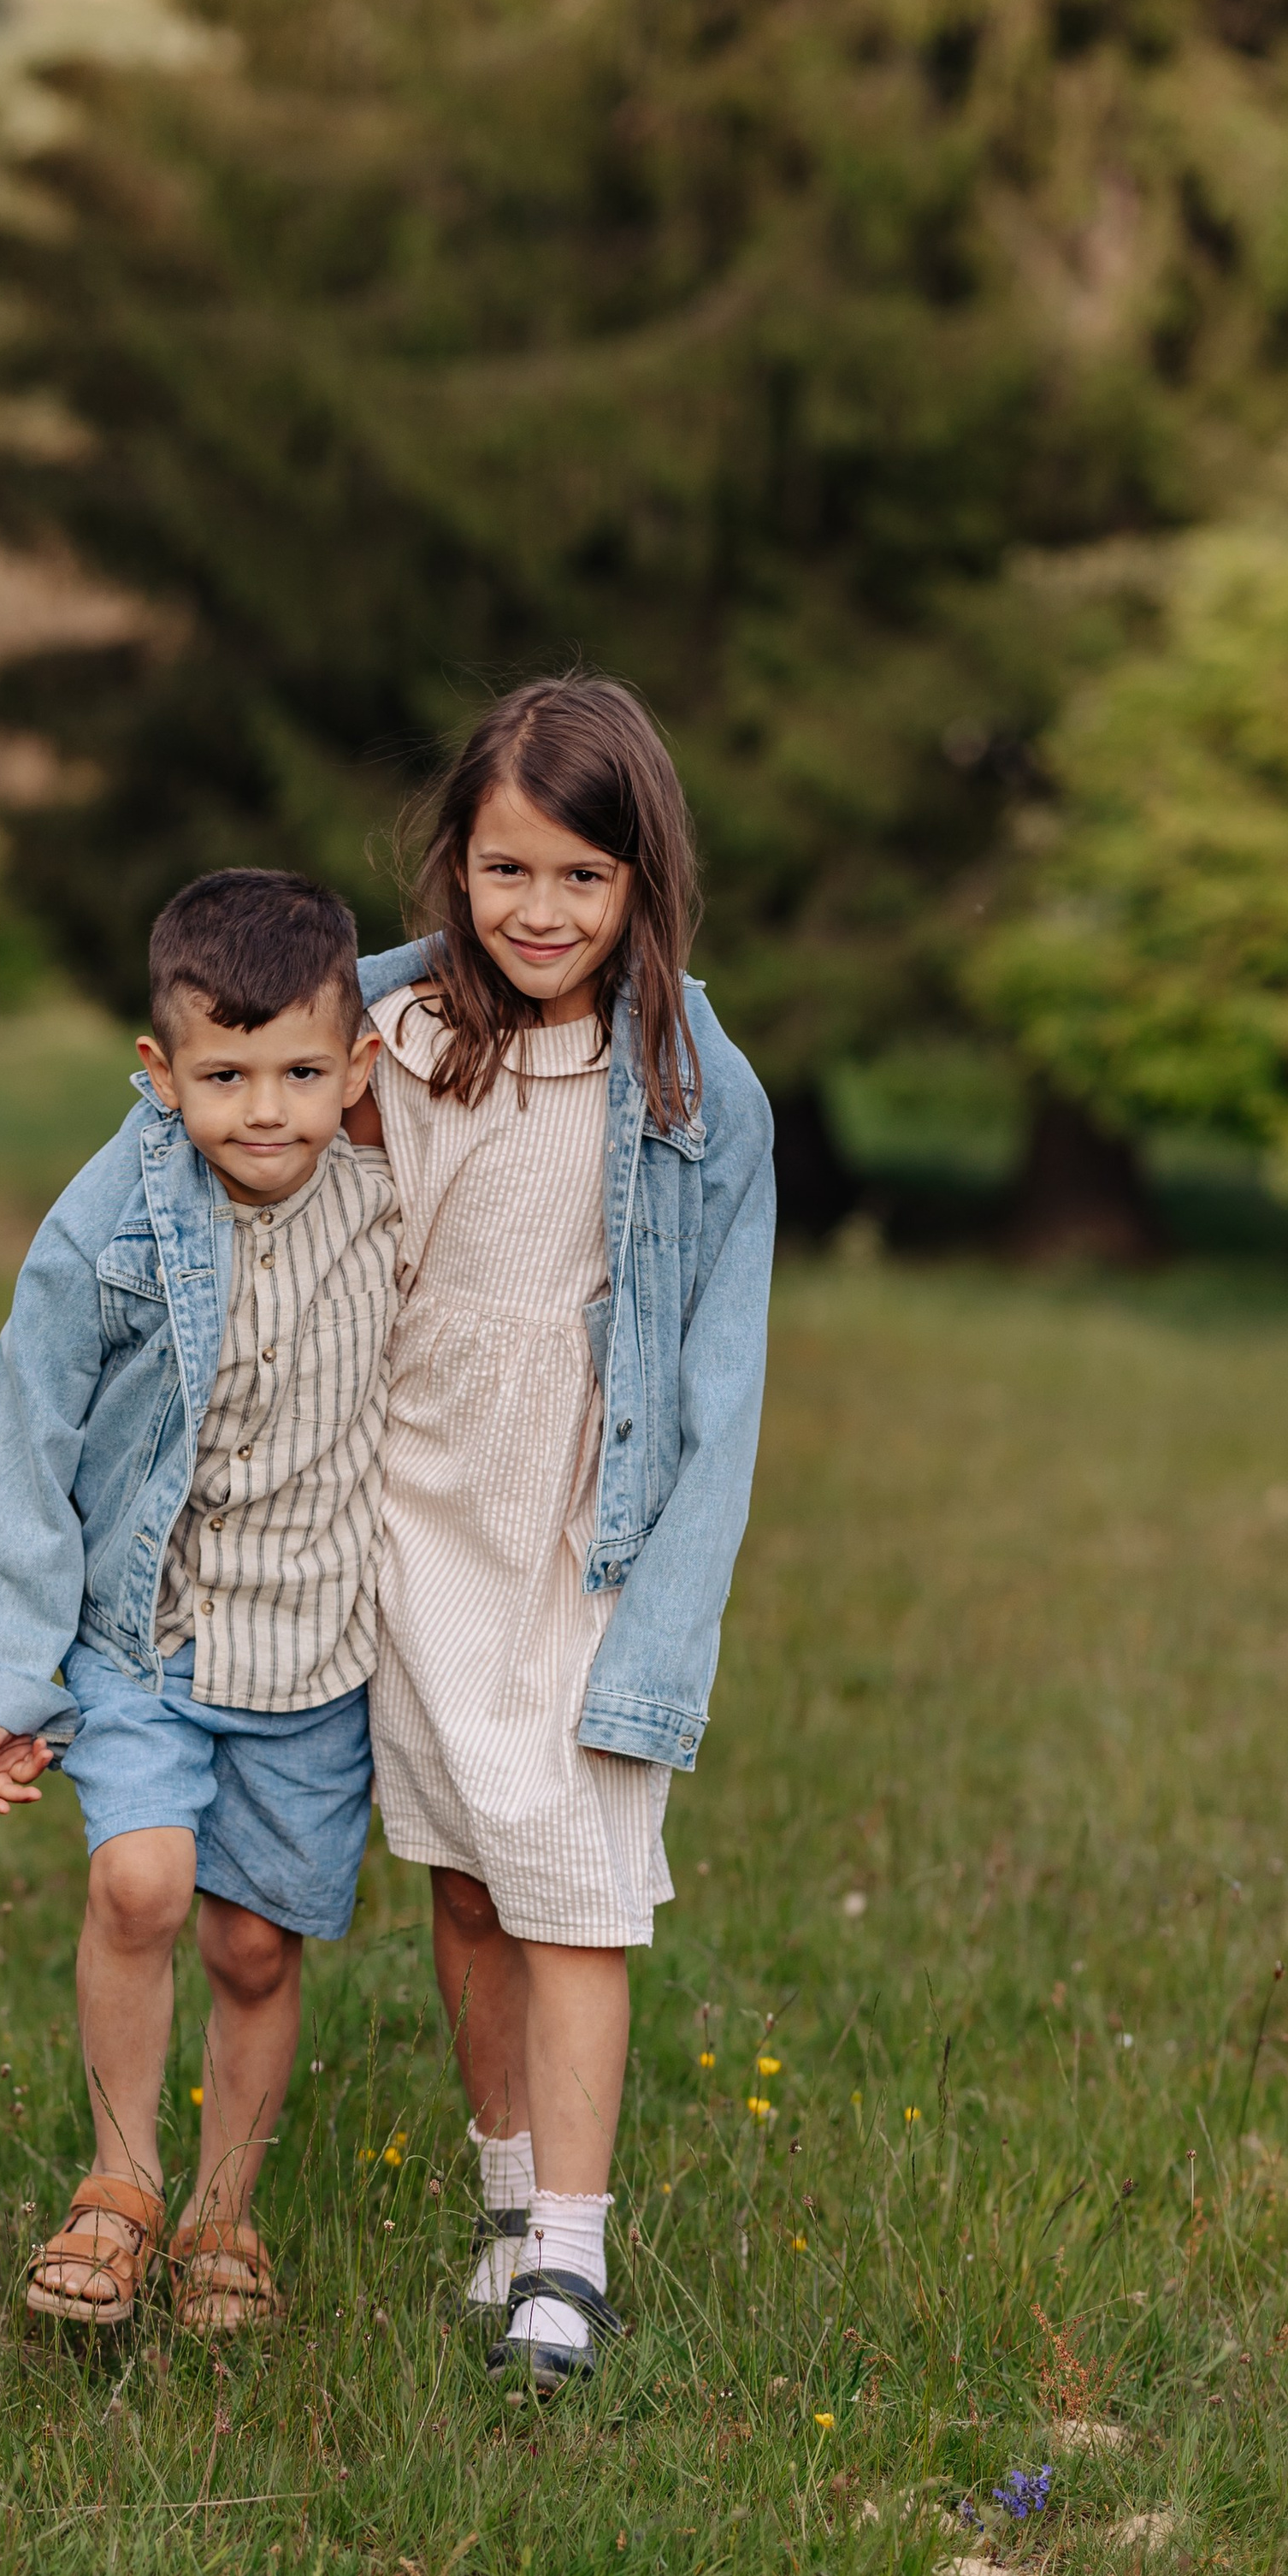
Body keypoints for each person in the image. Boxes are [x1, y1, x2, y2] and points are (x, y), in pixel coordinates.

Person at [346, 676, 775, 2395]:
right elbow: (236, 1159)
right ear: (453, 860)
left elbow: (722, 1370)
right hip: (421, 1505)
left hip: (588, 1524)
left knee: (575, 1887)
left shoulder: (685, 1074)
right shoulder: (375, 1029)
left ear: (637, 887)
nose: (536, 912)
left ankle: (573, 2262)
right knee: (465, 1874)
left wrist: (673, 1597)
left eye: (579, 880)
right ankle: (506, 2202)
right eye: (505, 869)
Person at [0, 869, 396, 2335]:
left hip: (314, 1647)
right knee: (141, 1884)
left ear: (360, 1067)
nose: (265, 1109)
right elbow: (27, 1439)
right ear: (160, 1074)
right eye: (223, 1075)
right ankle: (120, 2180)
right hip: (151, 1636)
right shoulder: (110, 1223)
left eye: (302, 1073)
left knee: (256, 1945)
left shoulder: (390, 1199)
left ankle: (223, 2215)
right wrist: (13, 1676)